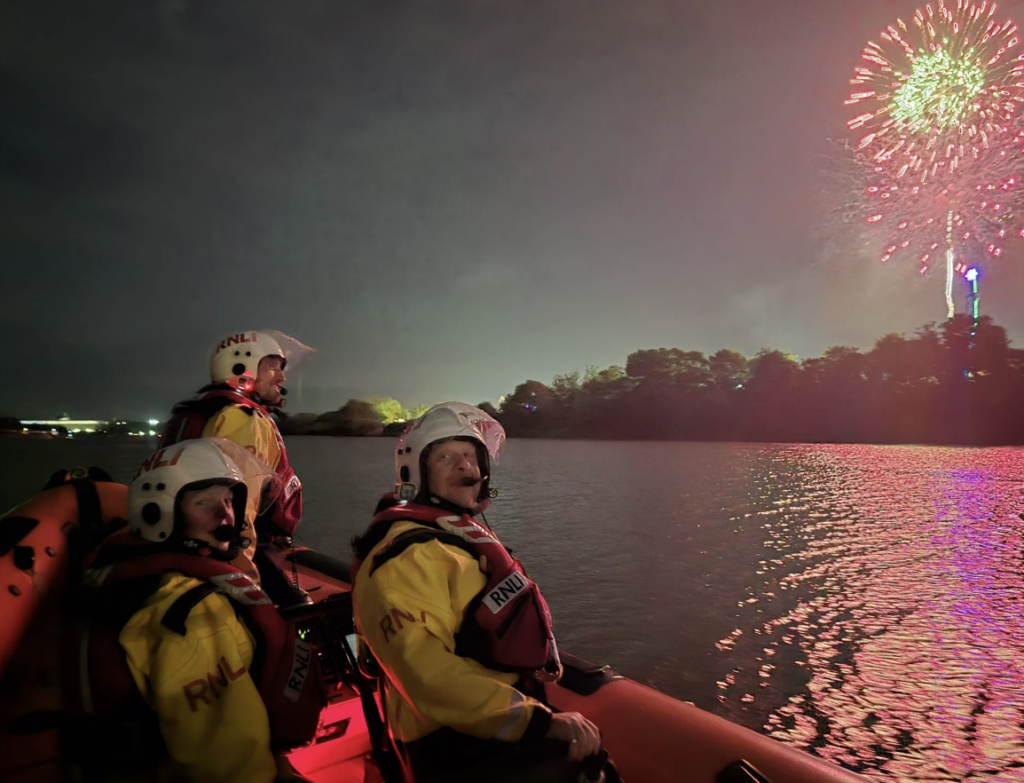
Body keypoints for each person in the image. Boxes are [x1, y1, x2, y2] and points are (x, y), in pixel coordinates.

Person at [351, 402, 619, 783]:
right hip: (452, 742)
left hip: (494, 719)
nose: (466, 468)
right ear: (415, 472)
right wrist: (537, 721)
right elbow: (427, 675)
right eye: (446, 457)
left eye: (471, 456)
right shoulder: (407, 558)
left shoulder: (453, 539)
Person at [66, 438, 322, 782]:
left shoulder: (134, 580)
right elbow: (231, 767)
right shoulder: (193, 617)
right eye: (205, 502)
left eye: (230, 501)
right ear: (158, 512)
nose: (226, 516)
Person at [162, 330, 312, 607]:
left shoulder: (213, 412)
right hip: (228, 552)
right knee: (299, 611)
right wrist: (245, 579)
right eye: (272, 367)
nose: (282, 378)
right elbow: (237, 509)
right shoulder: (244, 420)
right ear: (241, 366)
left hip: (192, 543)